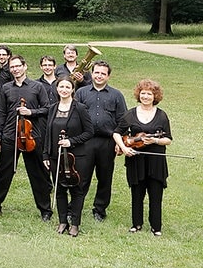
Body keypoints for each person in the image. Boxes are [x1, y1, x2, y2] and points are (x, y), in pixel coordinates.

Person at [0, 55, 54, 221]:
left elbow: (47, 109)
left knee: (37, 173)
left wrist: (31, 112)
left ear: (25, 67)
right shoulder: (6, 88)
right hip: (10, 136)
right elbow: (1, 113)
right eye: (12, 67)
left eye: (18, 66)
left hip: (32, 136)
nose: (15, 69)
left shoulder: (37, 87)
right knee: (4, 172)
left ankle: (45, 210)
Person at [114, 79, 172, 236]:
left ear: (155, 96)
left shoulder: (161, 116)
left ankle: (156, 227)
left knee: (155, 195)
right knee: (137, 194)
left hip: (156, 161)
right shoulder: (130, 114)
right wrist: (125, 148)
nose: (146, 96)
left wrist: (155, 140)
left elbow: (168, 139)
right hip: (136, 160)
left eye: (149, 94)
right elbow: (117, 132)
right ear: (139, 95)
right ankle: (136, 224)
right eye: (143, 93)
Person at [75, 61, 126, 222]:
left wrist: (120, 142)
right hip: (85, 142)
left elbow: (122, 120)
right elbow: (74, 116)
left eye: (103, 73)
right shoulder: (81, 93)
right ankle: (75, 207)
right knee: (81, 177)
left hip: (107, 142)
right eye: (96, 72)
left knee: (105, 177)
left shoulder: (116, 95)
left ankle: (100, 209)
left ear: (108, 76)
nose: (99, 76)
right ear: (91, 74)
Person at [42, 78, 94, 237]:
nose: (64, 90)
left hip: (76, 156)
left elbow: (89, 132)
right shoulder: (52, 108)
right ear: (57, 89)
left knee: (77, 190)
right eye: (61, 87)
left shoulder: (80, 108)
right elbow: (48, 134)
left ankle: (75, 224)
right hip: (55, 156)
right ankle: (63, 221)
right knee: (60, 189)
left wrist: (71, 141)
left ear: (72, 90)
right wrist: (45, 154)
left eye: (67, 87)